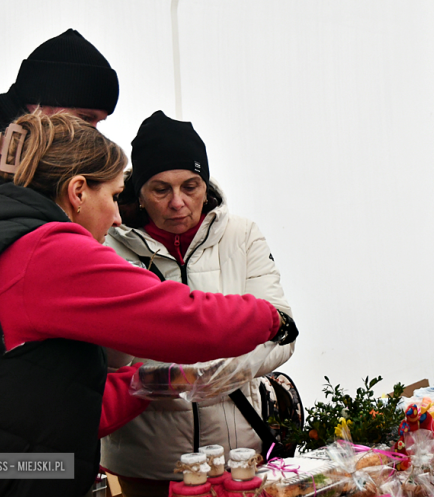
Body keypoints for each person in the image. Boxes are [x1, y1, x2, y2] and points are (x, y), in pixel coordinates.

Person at [0, 111, 292, 497]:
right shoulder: (48, 250)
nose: (115, 217)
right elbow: (180, 319)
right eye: (112, 196)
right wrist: (270, 319)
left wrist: (145, 382)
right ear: (78, 192)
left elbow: (57, 397)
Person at [99, 111, 295, 497]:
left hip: (237, 453)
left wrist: (232, 369)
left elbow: (284, 330)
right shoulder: (108, 246)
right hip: (149, 461)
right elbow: (104, 358)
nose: (178, 203)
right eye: (161, 189)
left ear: (206, 185)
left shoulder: (240, 235)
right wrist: (170, 375)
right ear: (137, 190)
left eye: (191, 186)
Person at [0, 28, 119, 209]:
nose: (94, 134)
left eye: (98, 122)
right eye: (85, 118)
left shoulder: (44, 166)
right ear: (40, 103)